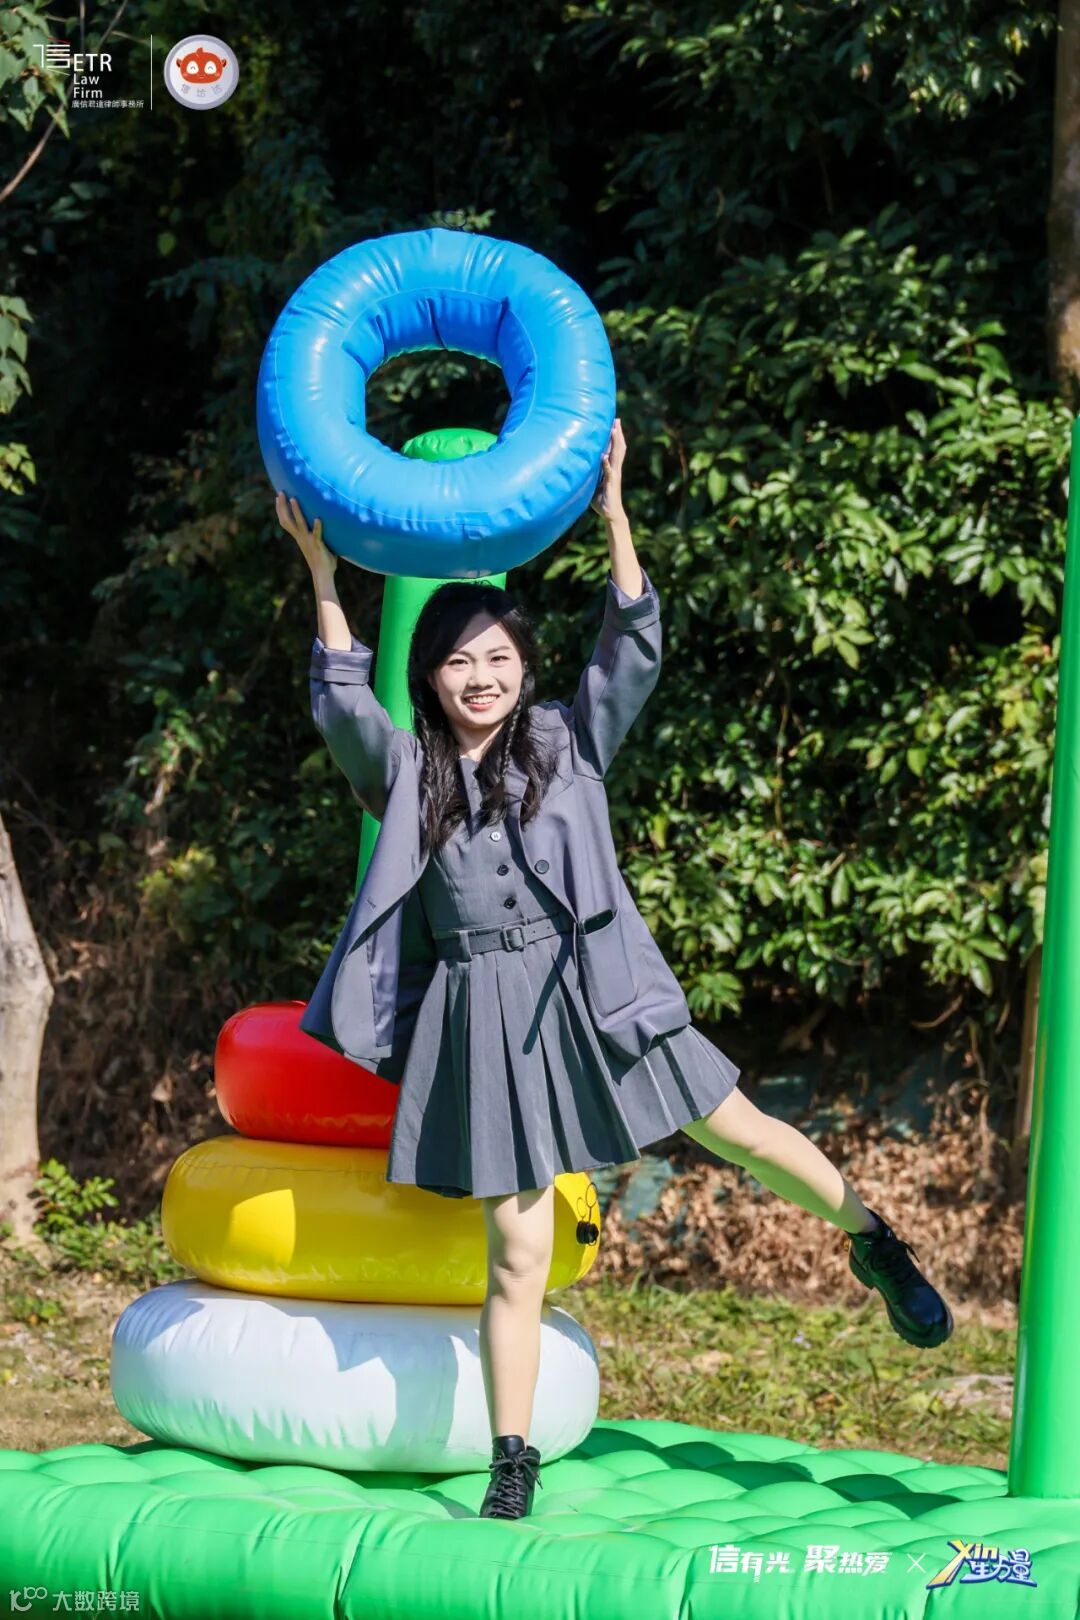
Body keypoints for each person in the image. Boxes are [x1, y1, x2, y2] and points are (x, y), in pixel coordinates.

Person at [277, 419, 953, 1523]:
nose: (482, 677)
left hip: (599, 988)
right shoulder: (408, 776)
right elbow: (344, 700)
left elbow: (629, 646)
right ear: (431, 678)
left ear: (524, 666)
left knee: (742, 1131)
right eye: (459, 662)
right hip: (483, 1017)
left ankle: (875, 1242)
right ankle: (512, 1461)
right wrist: (321, 572)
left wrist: (617, 515)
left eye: (499, 657)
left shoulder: (565, 742)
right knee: (517, 1250)